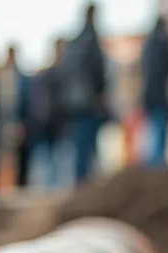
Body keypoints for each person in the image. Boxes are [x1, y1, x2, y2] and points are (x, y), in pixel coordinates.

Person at [60, 3, 109, 183]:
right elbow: (96, 70)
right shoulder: (90, 40)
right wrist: (100, 93)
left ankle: (81, 184)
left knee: (80, 148)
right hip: (88, 103)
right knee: (87, 148)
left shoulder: (75, 43)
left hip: (75, 104)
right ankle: (86, 187)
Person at [26, 38, 69, 189]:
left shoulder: (58, 74)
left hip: (57, 127)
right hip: (49, 127)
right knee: (49, 171)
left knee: (57, 170)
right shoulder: (52, 75)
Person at [140, 15, 168, 168]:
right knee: (159, 132)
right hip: (160, 97)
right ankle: (158, 167)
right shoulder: (162, 45)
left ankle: (155, 165)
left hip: (150, 96)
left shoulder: (148, 46)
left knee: (155, 130)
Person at [0, 45, 33, 186]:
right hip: (5, 123)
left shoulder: (22, 78)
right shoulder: (3, 76)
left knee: (19, 161)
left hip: (18, 123)